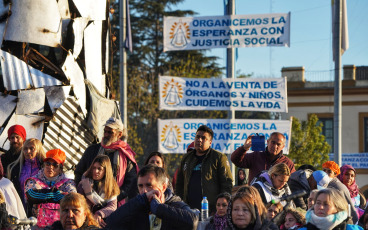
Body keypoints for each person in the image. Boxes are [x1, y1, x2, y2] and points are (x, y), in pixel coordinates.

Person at [106, 164, 198, 230]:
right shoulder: (138, 204)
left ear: (163, 187)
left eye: (149, 185)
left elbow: (193, 222)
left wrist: (159, 208)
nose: (144, 191)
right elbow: (111, 223)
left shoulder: (175, 203)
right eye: (140, 186)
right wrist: (141, 200)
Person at [74, 117, 138, 206]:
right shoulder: (92, 150)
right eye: (105, 131)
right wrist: (83, 193)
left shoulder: (126, 155)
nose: (106, 135)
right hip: (89, 202)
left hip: (115, 205)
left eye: (110, 132)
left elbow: (131, 182)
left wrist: (113, 199)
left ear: (119, 134)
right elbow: (79, 172)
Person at [176, 125, 233, 213]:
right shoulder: (186, 158)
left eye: (203, 138)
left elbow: (227, 184)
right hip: (188, 211)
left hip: (211, 211)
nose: (199, 140)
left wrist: (221, 207)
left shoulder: (219, 158)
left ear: (210, 142)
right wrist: (179, 205)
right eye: (197, 137)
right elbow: (179, 184)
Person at [25, 149, 77, 228]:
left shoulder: (68, 183)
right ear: (44, 165)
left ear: (60, 169)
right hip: (36, 225)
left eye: (55, 165)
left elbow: (72, 199)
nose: (50, 167)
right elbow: (32, 195)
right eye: (48, 164)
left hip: (61, 226)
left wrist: (43, 195)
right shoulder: (34, 180)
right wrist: (56, 194)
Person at [231, 132, 295, 183]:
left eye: (278, 144)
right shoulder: (256, 156)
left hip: (277, 198)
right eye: (273, 142)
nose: (275, 146)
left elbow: (292, 183)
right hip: (255, 197)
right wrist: (244, 148)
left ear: (283, 147)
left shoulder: (288, 163)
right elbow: (235, 160)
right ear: (267, 142)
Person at [78, 155, 120, 228]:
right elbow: (79, 204)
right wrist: (92, 218)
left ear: (106, 171)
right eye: (94, 168)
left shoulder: (111, 186)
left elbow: (112, 206)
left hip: (102, 220)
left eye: (99, 169)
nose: (95, 171)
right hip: (84, 219)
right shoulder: (84, 183)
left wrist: (99, 214)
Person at [7, 138, 45, 214]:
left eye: (32, 149)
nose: (28, 151)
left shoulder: (45, 168)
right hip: (19, 210)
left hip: (41, 211)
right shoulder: (14, 168)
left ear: (38, 150)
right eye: (25, 149)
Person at [299, 188, 363, 230]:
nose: (320, 207)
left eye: (326, 204)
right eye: (318, 203)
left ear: (338, 208)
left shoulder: (351, 229)